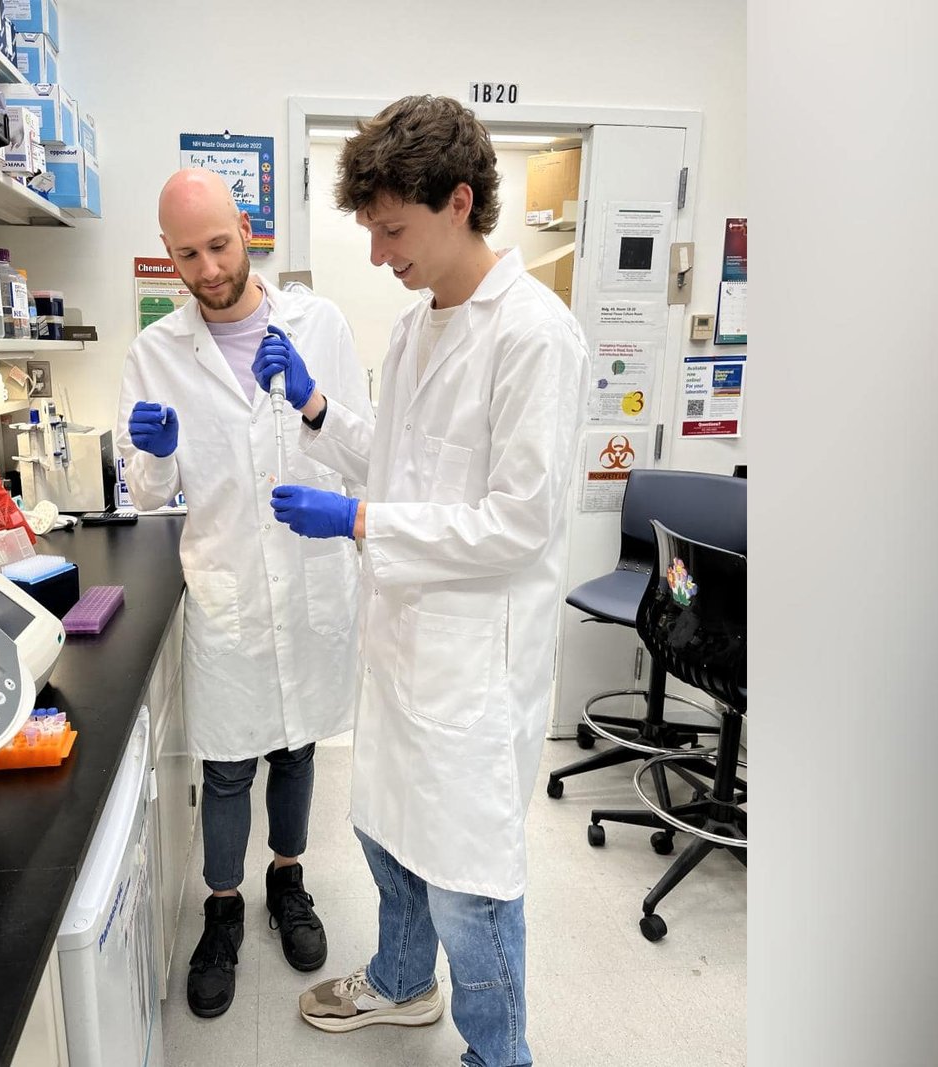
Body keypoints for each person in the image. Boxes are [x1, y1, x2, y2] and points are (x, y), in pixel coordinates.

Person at [254, 95, 591, 1067]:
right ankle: (402, 984)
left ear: (459, 203)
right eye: (370, 229)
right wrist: (317, 406)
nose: (376, 254)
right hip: (402, 647)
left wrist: (361, 522)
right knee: (386, 834)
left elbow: (519, 521)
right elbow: (395, 461)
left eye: (392, 230)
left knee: (468, 884)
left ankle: (498, 1054)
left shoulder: (534, 336)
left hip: (472, 668)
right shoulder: (414, 329)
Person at [115, 168, 372, 1019]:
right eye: (187, 254)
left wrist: (313, 400)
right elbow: (147, 494)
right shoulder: (156, 352)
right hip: (226, 589)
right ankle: (222, 908)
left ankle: (287, 881)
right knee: (226, 764)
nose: (209, 268)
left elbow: (366, 456)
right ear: (169, 255)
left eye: (220, 245)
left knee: (297, 748)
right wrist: (154, 454)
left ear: (248, 231)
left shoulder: (320, 325)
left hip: (307, 585)